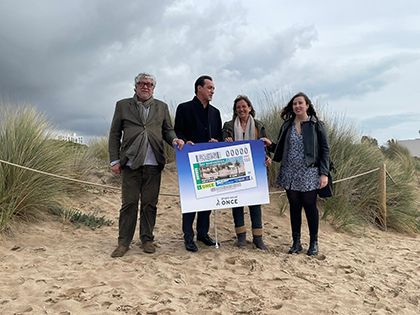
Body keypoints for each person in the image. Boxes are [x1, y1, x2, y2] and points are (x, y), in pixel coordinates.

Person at [108, 73, 184, 257]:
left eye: (149, 84)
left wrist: (174, 141)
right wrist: (114, 160)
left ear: (153, 88)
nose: (146, 87)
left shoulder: (162, 107)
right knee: (129, 204)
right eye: (142, 83)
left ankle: (147, 239)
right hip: (130, 163)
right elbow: (115, 134)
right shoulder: (122, 105)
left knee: (150, 204)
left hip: (153, 163)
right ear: (135, 86)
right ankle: (123, 242)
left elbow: (168, 130)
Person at [262, 92, 330, 256]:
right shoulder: (287, 125)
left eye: (300, 103)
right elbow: (282, 148)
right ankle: (296, 242)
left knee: (310, 205)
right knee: (294, 206)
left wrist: (324, 173)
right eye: (294, 104)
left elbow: (325, 150)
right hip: (290, 170)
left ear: (307, 105)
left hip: (309, 171)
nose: (297, 106)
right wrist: (270, 145)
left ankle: (313, 243)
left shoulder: (316, 125)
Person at [174, 75, 223, 252]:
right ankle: (188, 237)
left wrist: (216, 140)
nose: (212, 91)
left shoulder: (215, 112)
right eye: (209, 87)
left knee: (208, 199)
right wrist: (185, 141)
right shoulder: (184, 108)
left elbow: (219, 134)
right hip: (189, 162)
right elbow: (177, 130)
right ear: (199, 88)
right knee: (191, 200)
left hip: (210, 163)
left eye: (213, 89)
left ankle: (203, 233)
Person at [222, 95, 271, 250]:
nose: (241, 109)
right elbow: (223, 149)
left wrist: (268, 157)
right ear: (235, 110)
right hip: (234, 169)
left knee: (255, 203)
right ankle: (241, 237)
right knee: (237, 203)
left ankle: (258, 238)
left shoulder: (258, 125)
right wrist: (226, 143)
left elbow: (264, 146)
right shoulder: (229, 125)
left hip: (254, 169)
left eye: (244, 106)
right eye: (238, 107)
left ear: (250, 108)